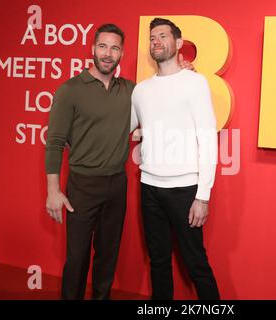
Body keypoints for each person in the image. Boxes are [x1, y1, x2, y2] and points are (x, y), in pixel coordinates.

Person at [45, 23, 194, 300]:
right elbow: (54, 143)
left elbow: (160, 93)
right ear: (92, 49)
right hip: (82, 186)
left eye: (114, 48)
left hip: (117, 185)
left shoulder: (131, 91)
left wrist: (182, 75)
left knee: (107, 257)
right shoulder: (70, 90)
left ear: (121, 54)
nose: (107, 53)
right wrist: (53, 191)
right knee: (77, 259)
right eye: (102, 46)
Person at [131, 18, 220, 300]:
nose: (156, 41)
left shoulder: (195, 83)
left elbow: (208, 139)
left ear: (178, 43)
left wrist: (202, 196)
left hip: (185, 190)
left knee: (196, 265)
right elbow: (123, 127)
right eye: (152, 37)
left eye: (163, 36)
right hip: (148, 188)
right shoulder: (140, 90)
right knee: (158, 262)